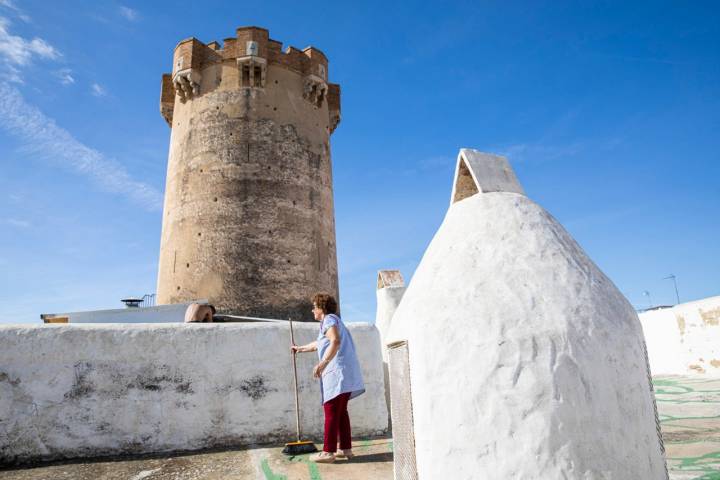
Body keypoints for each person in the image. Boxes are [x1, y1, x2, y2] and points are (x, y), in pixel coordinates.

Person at [291, 293, 365, 463]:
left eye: (314, 307)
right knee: (341, 412)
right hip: (346, 374)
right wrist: (299, 349)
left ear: (321, 308)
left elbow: (335, 341)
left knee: (331, 410)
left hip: (337, 373)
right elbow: (321, 343)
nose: (312, 310)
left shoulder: (329, 320)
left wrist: (323, 363)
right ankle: (345, 449)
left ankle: (328, 452)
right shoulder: (334, 321)